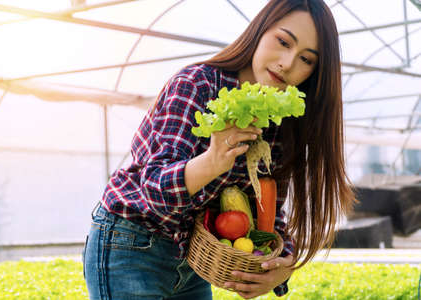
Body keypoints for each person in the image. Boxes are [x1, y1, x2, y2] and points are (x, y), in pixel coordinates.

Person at [83, 0, 356, 299]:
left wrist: (282, 266)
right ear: (259, 30)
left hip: (189, 258)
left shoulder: (281, 122)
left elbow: (269, 212)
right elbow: (154, 192)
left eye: (306, 60)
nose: (288, 63)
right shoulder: (197, 84)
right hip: (130, 242)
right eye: (283, 41)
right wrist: (213, 160)